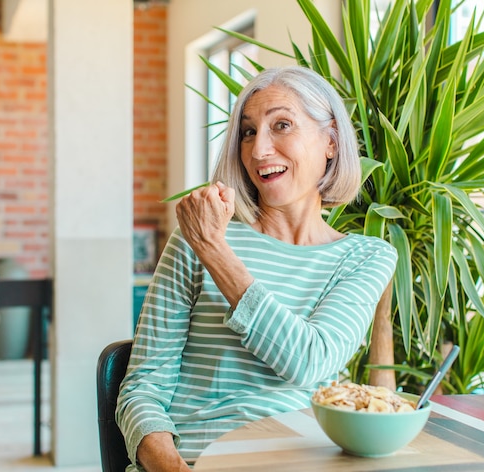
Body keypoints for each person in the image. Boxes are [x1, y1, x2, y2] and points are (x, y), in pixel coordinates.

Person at [116, 65, 398, 471]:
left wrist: (216, 252)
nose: (259, 150)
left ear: (331, 141)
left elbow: (308, 361)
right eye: (248, 132)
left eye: (281, 125)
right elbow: (143, 390)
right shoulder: (194, 238)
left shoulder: (366, 257)